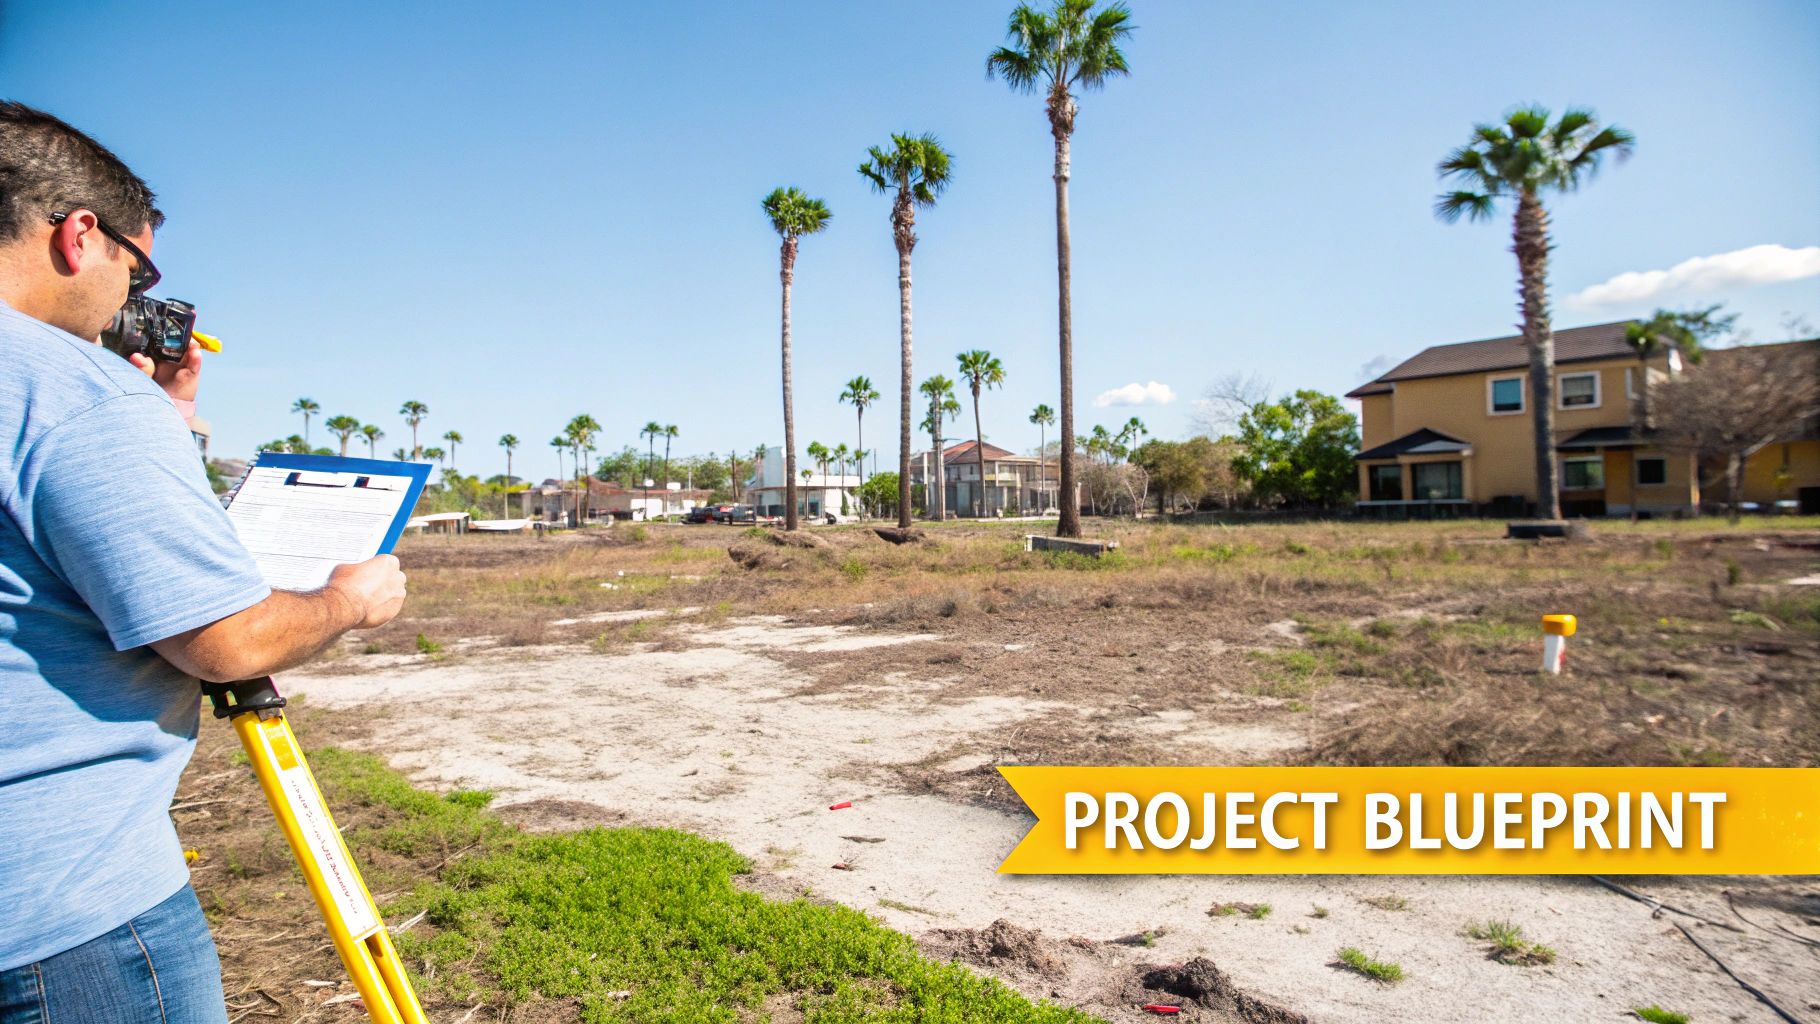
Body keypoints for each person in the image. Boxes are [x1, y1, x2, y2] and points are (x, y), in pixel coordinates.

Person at [0, 101, 408, 1023]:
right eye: (138, 271)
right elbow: (223, 640)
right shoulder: (76, 393)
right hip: (58, 919)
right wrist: (346, 600)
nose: (129, 302)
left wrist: (167, 422)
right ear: (78, 236)